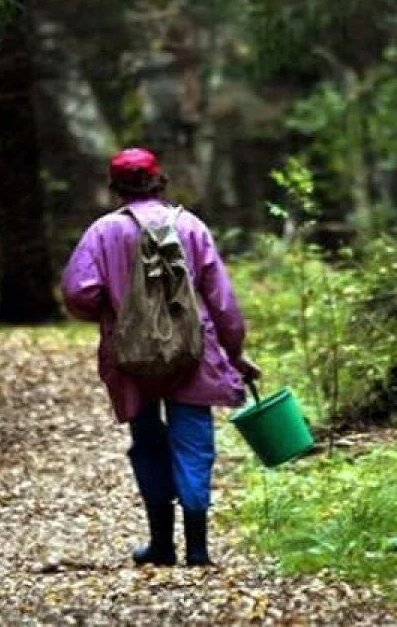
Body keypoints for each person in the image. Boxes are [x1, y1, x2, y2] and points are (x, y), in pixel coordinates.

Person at [60, 147, 260, 567]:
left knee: (148, 444)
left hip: (131, 357)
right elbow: (222, 302)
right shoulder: (190, 226)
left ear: (114, 187)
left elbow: (78, 293)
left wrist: (114, 309)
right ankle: (198, 548)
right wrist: (235, 353)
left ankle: (161, 545)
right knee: (194, 445)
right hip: (193, 352)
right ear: (160, 181)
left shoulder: (103, 232)